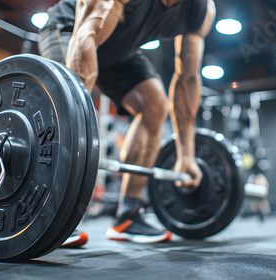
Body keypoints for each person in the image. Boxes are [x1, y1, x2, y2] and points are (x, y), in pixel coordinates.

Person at [38, 0, 216, 245]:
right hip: (71, 30)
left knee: (154, 105)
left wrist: (186, 155)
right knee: (67, 105)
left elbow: (187, 80)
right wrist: (72, 138)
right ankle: (48, 209)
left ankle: (128, 215)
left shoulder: (200, 10)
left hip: (119, 51)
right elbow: (86, 36)